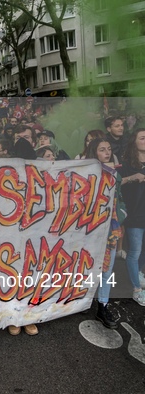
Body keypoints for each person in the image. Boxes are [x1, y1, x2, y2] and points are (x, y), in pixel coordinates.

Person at [84, 138, 122, 328]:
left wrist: (119, 216)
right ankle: (78, 301)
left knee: (107, 272)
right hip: (89, 230)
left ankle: (102, 306)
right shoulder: (85, 175)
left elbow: (120, 201)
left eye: (109, 149)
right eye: (102, 149)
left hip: (109, 230)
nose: (107, 152)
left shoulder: (116, 175)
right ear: (94, 153)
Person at [118, 128, 145, 306]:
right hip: (135, 214)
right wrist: (133, 177)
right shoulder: (127, 163)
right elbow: (119, 184)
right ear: (134, 142)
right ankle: (136, 289)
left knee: (143, 251)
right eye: (142, 138)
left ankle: (139, 274)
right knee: (134, 251)